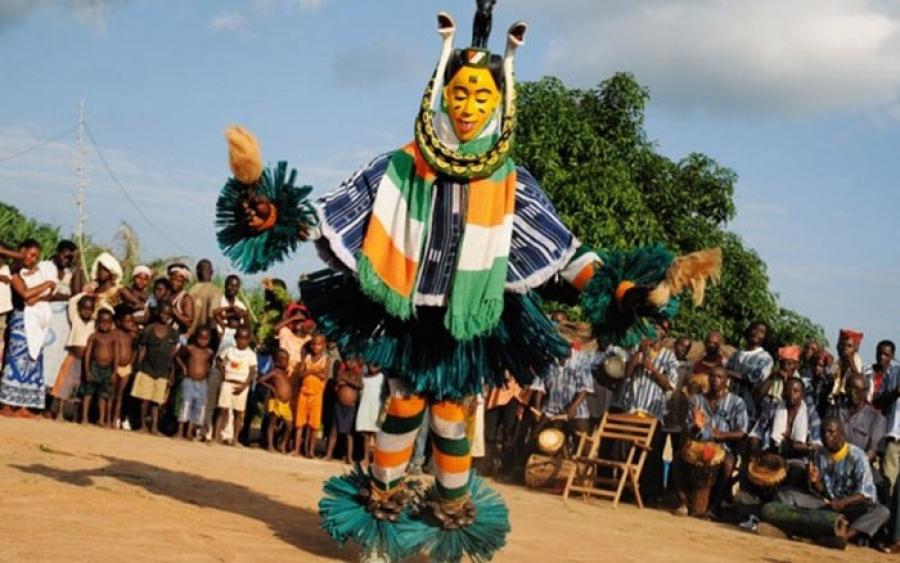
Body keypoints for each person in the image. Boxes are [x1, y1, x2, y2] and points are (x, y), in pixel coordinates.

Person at [214, 3, 720, 558]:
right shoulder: (400, 168)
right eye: (460, 92)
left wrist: (622, 290)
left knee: (452, 416)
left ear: (501, 101)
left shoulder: (512, 183)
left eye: (482, 96)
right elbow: (337, 218)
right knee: (403, 406)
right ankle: (381, 529)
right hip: (411, 312)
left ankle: (450, 531)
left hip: (471, 316)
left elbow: (565, 253)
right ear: (439, 92)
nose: (470, 105)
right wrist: (273, 209)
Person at [772, 418, 889, 548]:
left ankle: (842, 536)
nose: (827, 436)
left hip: (852, 508)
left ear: (841, 434)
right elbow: (823, 491)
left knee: (882, 511)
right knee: (785, 495)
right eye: (823, 432)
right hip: (828, 505)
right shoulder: (819, 454)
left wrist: (842, 503)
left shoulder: (857, 456)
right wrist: (816, 482)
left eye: (831, 432)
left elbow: (865, 494)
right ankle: (788, 528)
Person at [615, 322, 679, 505]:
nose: (652, 333)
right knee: (625, 450)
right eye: (650, 329)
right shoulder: (636, 349)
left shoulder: (669, 358)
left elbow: (669, 385)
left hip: (653, 413)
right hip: (632, 409)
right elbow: (626, 374)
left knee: (651, 454)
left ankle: (649, 495)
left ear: (663, 336)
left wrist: (652, 369)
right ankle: (625, 489)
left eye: (657, 331)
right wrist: (639, 354)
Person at [675, 366, 748, 516]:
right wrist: (696, 427)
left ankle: (714, 506)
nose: (715, 380)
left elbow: (742, 432)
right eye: (712, 377)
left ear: (726, 381)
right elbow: (688, 428)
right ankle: (683, 502)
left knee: (727, 464)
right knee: (678, 458)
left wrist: (722, 435)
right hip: (698, 445)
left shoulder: (736, 402)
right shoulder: (696, 400)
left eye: (719, 377)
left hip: (723, 447)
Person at [0, 239, 57, 417]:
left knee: (32, 363)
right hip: (20, 319)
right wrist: (47, 284)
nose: (32, 259)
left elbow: (35, 298)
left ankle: (23, 403)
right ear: (21, 251)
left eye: (36, 257)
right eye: (30, 254)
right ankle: (7, 404)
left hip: (35, 323)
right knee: (15, 362)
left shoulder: (35, 273)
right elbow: (26, 295)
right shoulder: (14, 270)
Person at [39, 240, 80, 396]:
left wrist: (77, 267)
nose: (67, 260)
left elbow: (76, 295)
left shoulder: (70, 273)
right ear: (57, 252)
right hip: (45, 320)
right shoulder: (45, 267)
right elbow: (46, 296)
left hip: (62, 326)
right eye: (65, 256)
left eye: (70, 258)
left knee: (56, 361)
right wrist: (65, 296)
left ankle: (49, 398)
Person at [132, 302, 180, 434]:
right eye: (163, 313)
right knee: (144, 399)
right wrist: (137, 365)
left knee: (157, 402)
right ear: (158, 313)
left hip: (163, 371)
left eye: (168, 314)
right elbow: (143, 349)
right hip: (147, 368)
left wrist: (172, 373)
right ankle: (142, 425)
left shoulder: (173, 333)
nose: (165, 316)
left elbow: (173, 354)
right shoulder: (149, 329)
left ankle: (154, 427)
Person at [749, 378, 821, 461]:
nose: (791, 394)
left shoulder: (810, 413)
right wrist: (755, 451)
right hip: (772, 454)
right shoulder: (773, 408)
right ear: (783, 392)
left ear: (802, 394)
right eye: (788, 390)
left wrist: (792, 446)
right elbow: (756, 433)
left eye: (795, 391)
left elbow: (817, 445)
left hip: (799, 459)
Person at [49, 294, 95, 420]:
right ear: (79, 309)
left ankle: (75, 416)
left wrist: (98, 299)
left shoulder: (94, 324)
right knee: (65, 384)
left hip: (86, 360)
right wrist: (85, 293)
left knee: (79, 385)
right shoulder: (75, 319)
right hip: (73, 357)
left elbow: (108, 310)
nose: (87, 311)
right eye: (84, 308)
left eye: (90, 309)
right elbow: (72, 301)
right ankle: (59, 412)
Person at [829, 374, 885, 475]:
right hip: (834, 463)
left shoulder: (877, 419)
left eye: (858, 389)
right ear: (845, 389)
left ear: (865, 391)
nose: (853, 393)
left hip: (860, 469)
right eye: (850, 388)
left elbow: (873, 450)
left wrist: (855, 467)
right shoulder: (836, 411)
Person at [214, 326, 257, 445]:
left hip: (241, 386)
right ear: (235, 338)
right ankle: (216, 436)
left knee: (238, 412)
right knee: (222, 409)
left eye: (244, 339)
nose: (241, 341)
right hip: (227, 383)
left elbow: (253, 371)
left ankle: (235, 439)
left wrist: (245, 385)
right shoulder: (229, 350)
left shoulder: (251, 355)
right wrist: (222, 371)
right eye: (239, 338)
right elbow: (218, 360)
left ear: (249, 340)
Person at [726, 321, 773, 423]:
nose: (757, 333)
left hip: (748, 408)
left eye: (762, 332)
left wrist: (728, 373)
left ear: (765, 337)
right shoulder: (736, 354)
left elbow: (754, 379)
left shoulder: (765, 358)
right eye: (755, 329)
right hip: (729, 405)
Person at [292, 334, 331, 457]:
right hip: (304, 393)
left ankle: (311, 451)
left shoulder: (326, 359)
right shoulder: (307, 358)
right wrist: (313, 371)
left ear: (323, 346)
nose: (315, 347)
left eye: (319, 344)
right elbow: (301, 374)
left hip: (317, 395)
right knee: (300, 424)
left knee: (313, 426)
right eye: (313, 344)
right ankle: (297, 449)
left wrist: (311, 372)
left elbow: (324, 376)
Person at [80, 308, 119, 426]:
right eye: (102, 322)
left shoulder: (114, 337)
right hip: (94, 366)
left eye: (108, 323)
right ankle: (84, 418)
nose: (105, 325)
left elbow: (116, 356)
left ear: (111, 323)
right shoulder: (94, 336)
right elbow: (87, 354)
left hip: (107, 369)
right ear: (98, 323)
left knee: (103, 394)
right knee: (88, 393)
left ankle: (101, 419)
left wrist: (114, 372)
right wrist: (87, 370)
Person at [175, 326, 214, 440]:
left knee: (197, 406)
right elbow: (177, 356)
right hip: (189, 381)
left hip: (202, 383)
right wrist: (183, 367)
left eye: (206, 339)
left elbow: (209, 364)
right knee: (185, 404)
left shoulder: (209, 352)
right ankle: (180, 430)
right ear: (196, 337)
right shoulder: (190, 349)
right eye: (201, 338)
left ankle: (189, 431)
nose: (203, 341)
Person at [325, 357, 364, 463]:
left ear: (357, 363)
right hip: (339, 405)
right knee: (334, 430)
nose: (349, 363)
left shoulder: (357, 374)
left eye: (352, 361)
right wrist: (339, 384)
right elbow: (337, 386)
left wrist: (346, 381)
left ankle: (349, 457)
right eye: (348, 361)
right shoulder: (341, 373)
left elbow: (360, 385)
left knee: (349, 434)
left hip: (350, 406)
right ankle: (329, 454)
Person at [258, 349, 293, 453]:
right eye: (283, 360)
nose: (286, 362)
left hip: (285, 403)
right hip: (276, 401)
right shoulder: (275, 372)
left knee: (289, 425)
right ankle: (270, 445)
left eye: (287, 360)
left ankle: (283, 443)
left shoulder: (285, 372)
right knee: (272, 423)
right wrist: (272, 388)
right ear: (276, 361)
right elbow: (261, 380)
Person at [874, 356, 900, 494]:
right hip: (894, 439)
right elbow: (877, 401)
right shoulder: (893, 373)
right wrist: (895, 393)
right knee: (888, 485)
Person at [110, 309, 137, 429]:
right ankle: (107, 417)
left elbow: (134, 350)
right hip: (115, 366)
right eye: (127, 321)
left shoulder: (131, 336)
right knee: (111, 393)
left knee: (120, 395)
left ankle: (116, 418)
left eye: (131, 321)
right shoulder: (114, 333)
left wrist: (131, 363)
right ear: (120, 322)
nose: (130, 323)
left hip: (126, 368)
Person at [356, 361, 386, 468]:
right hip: (365, 408)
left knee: (377, 435)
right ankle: (366, 458)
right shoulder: (363, 377)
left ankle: (377, 460)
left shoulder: (382, 377)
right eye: (371, 363)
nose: (373, 366)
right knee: (366, 436)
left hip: (376, 408)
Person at [756, 346, 801, 410]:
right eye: (782, 363)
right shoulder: (775, 375)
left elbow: (791, 402)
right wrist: (771, 377)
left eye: (789, 364)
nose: (785, 367)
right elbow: (758, 395)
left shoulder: (798, 382)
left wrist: (786, 382)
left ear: (796, 365)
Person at [187, 259, 222, 336]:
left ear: (197, 272)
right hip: (206, 335)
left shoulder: (191, 290)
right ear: (212, 272)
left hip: (191, 333)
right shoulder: (216, 291)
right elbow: (212, 317)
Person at [166, 263, 195, 340]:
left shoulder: (185, 299)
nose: (174, 283)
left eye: (179, 281)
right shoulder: (166, 294)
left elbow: (188, 322)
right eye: (173, 279)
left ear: (184, 282)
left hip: (177, 336)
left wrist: (172, 310)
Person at [866, 340, 897, 405]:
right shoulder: (866, 372)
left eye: (886, 355)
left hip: (887, 413)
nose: (881, 357)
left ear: (892, 356)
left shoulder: (895, 375)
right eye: (879, 353)